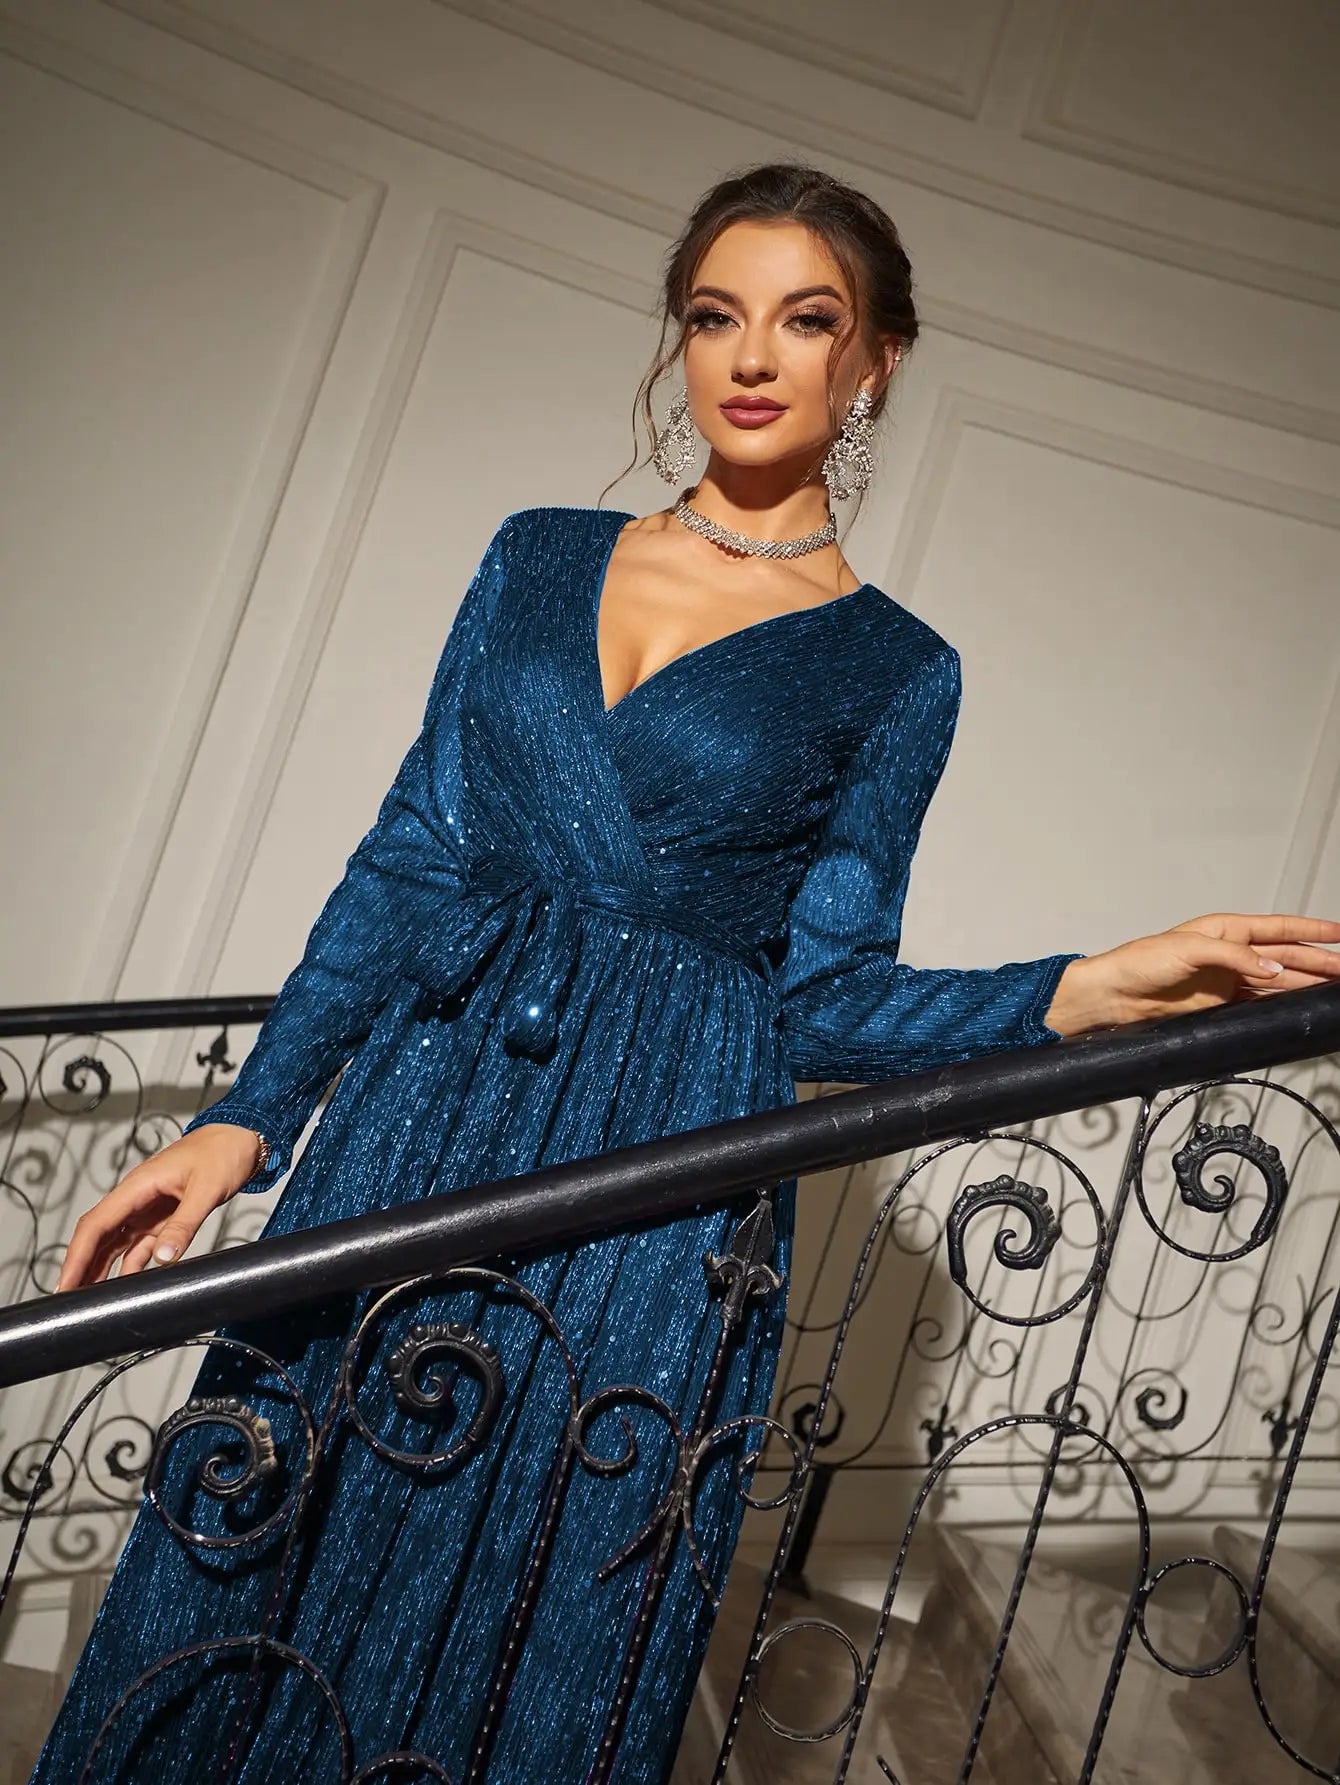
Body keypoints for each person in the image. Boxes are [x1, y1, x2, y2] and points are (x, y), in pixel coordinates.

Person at [33, 162, 1340, 1783]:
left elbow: (823, 993)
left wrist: (1084, 986)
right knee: (279, 1509)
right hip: (418, 1117)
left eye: (809, 320)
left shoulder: (896, 668)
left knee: (523, 1578)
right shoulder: (533, 554)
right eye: (717, 314)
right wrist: (252, 1116)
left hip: (654, 1182)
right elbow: (415, 852)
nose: (753, 355)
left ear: (878, 364)